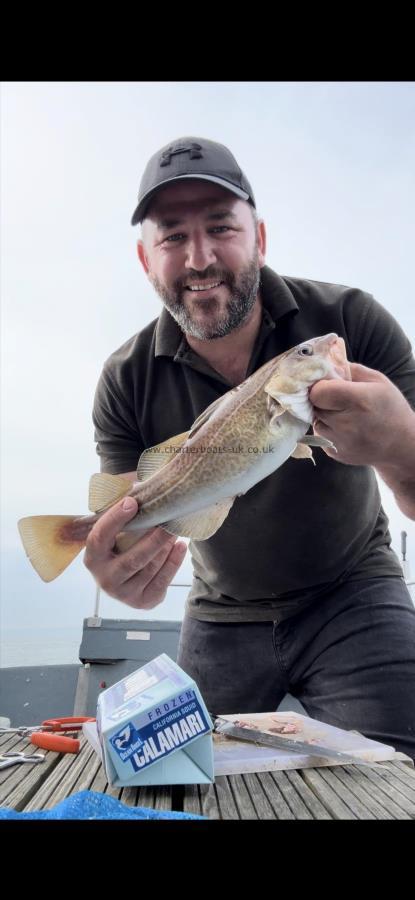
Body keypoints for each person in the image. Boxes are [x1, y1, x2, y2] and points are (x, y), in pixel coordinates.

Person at [86, 137, 415, 758]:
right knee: (182, 775)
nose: (200, 257)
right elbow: (127, 519)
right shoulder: (125, 377)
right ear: (144, 259)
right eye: (173, 237)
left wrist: (401, 445)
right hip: (221, 610)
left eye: (220, 227)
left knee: (398, 774)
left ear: (260, 237)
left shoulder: (352, 320)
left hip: (353, 589)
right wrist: (123, 568)